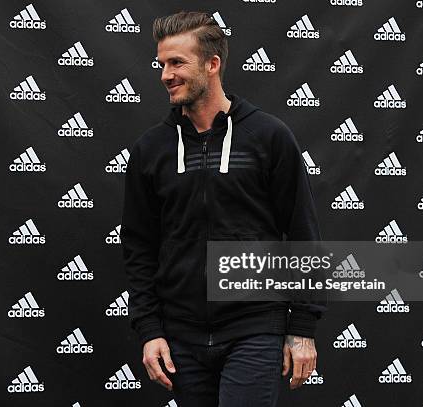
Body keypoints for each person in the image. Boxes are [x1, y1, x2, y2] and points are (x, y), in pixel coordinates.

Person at [121, 11, 326, 407]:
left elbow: (302, 233)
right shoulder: (151, 149)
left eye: (177, 62)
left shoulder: (267, 136)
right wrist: (150, 330)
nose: (165, 74)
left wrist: (302, 327)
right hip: (180, 339)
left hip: (254, 330)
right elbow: (139, 247)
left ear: (212, 65)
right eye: (162, 64)